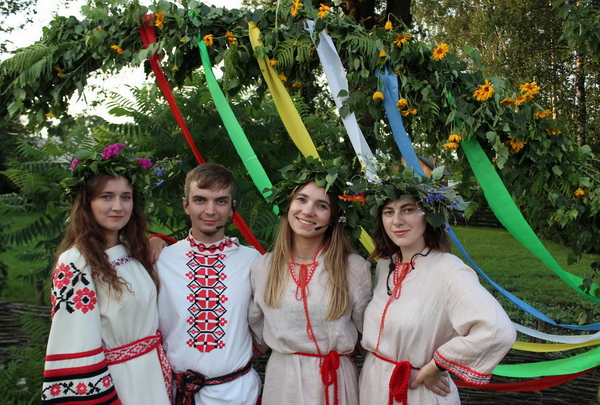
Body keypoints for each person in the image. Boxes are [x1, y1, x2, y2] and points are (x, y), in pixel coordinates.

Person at [359, 167, 516, 405]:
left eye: (408, 209)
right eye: (389, 212)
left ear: (429, 215)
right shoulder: (384, 267)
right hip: (373, 387)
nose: (397, 221)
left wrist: (437, 365)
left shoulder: (449, 270)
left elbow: (497, 330)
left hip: (416, 391)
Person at [41, 143, 171, 404]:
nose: (118, 207)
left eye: (126, 197)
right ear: (87, 203)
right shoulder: (76, 262)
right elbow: (75, 341)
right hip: (120, 383)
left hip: (152, 375)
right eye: (107, 197)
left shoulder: (132, 251)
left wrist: (160, 240)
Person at [249, 156, 373, 405]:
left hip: (336, 382)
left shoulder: (353, 268)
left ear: (333, 217)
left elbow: (370, 336)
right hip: (283, 384)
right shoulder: (263, 267)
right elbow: (255, 334)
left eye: (321, 205)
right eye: (301, 199)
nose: (307, 211)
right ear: (288, 205)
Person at [154, 162, 262, 404]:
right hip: (179, 394)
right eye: (200, 200)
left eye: (221, 201)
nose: (210, 210)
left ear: (232, 208)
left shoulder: (252, 261)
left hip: (238, 394)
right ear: (186, 205)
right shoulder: (161, 260)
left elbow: (266, 322)